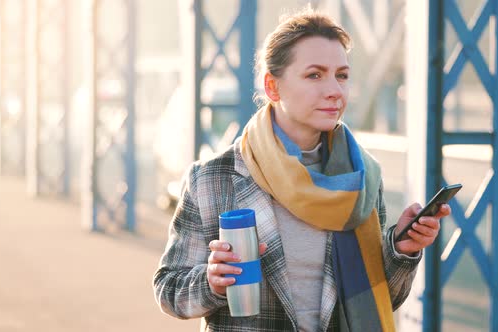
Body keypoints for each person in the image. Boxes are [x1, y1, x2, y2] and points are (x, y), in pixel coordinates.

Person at [153, 8, 450, 332]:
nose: (335, 90)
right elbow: (169, 289)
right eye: (314, 75)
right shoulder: (213, 178)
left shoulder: (362, 176)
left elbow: (377, 299)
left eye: (342, 75)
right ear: (272, 87)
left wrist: (400, 250)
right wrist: (211, 281)